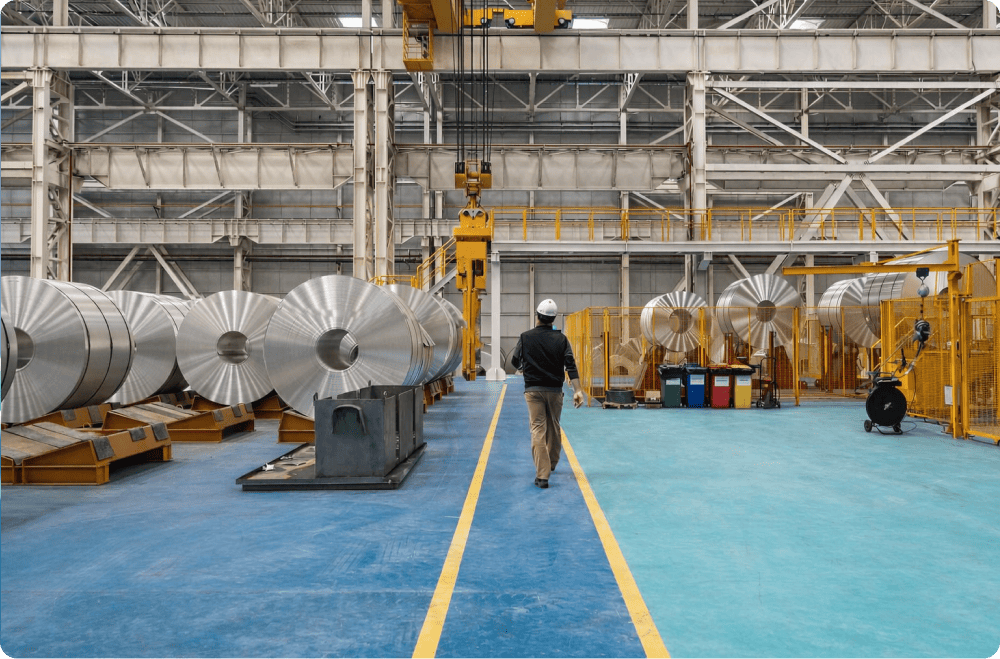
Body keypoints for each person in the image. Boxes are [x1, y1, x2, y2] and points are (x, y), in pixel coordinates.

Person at [510, 299, 585, 489]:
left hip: (533, 391)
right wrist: (577, 390)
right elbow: (571, 365)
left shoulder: (525, 337)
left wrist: (525, 368)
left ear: (537, 316)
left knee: (537, 430)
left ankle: (542, 476)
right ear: (553, 319)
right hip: (555, 390)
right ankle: (552, 463)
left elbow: (514, 361)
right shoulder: (561, 339)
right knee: (554, 426)